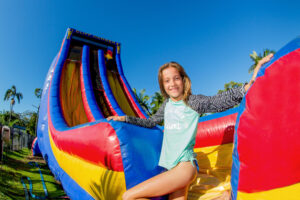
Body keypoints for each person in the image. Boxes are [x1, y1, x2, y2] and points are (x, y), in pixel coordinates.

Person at [107, 53, 273, 200]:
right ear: (162, 85)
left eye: (176, 78)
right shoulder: (166, 105)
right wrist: (124, 118)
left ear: (183, 79)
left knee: (128, 196)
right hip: (170, 169)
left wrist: (247, 86)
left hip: (185, 168)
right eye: (167, 80)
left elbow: (216, 102)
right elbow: (150, 122)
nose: (172, 83)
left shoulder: (192, 101)